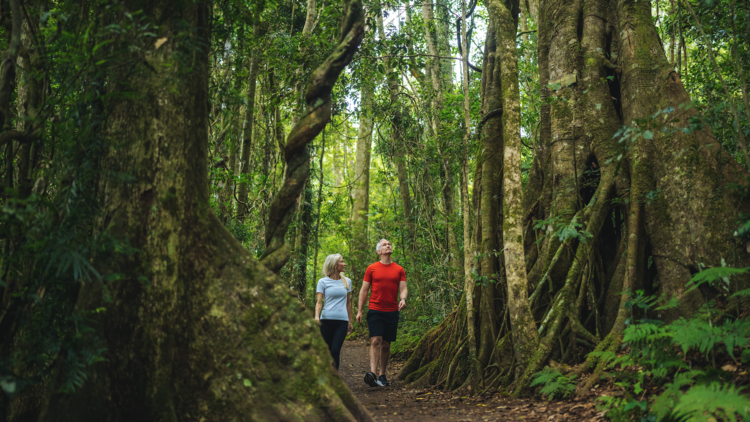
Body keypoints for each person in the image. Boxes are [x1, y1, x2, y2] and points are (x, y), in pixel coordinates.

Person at [356, 239, 407, 387]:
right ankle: (372, 374)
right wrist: (359, 310)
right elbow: (364, 290)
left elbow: (403, 288)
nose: (388, 245)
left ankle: (382, 375)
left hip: (392, 310)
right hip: (375, 310)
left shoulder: (399, 269)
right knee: (376, 340)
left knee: (386, 343)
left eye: (389, 244)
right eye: (384, 245)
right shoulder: (371, 268)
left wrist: (403, 299)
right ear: (379, 251)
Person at [315, 254, 354, 370]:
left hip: (341, 322)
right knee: (326, 351)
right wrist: (316, 316)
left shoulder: (347, 281)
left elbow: (348, 303)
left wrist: (350, 322)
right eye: (342, 262)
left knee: (335, 350)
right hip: (326, 321)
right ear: (334, 265)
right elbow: (319, 302)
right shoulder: (322, 282)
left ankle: (335, 382)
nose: (344, 264)